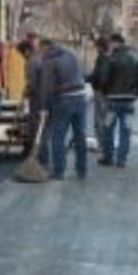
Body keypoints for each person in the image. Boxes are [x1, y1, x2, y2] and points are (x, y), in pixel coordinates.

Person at [39, 39, 88, 180]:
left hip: (63, 100)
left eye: (41, 50)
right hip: (80, 97)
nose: (40, 53)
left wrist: (43, 107)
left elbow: (46, 86)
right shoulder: (71, 55)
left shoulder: (49, 60)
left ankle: (59, 171)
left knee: (58, 136)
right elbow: (81, 74)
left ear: (45, 47)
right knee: (80, 135)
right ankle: (81, 170)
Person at [98, 34, 138, 169]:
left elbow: (104, 79)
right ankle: (122, 159)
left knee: (108, 129)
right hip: (129, 101)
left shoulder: (111, 59)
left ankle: (108, 157)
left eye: (111, 43)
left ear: (115, 43)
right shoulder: (135, 59)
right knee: (126, 131)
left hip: (112, 100)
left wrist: (105, 93)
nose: (110, 46)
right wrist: (135, 95)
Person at [17, 38, 42, 156]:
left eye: (22, 54)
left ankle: (31, 152)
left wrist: (25, 94)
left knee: (34, 125)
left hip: (37, 98)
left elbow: (31, 83)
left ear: (26, 51)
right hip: (45, 96)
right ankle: (38, 152)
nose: (22, 57)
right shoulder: (41, 58)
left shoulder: (31, 62)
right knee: (41, 126)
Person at [86, 37, 110, 153]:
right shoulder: (108, 58)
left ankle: (101, 144)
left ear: (100, 47)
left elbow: (100, 76)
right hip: (105, 92)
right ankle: (103, 144)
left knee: (99, 119)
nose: (96, 49)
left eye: (97, 47)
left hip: (100, 92)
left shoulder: (102, 59)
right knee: (103, 118)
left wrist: (88, 79)